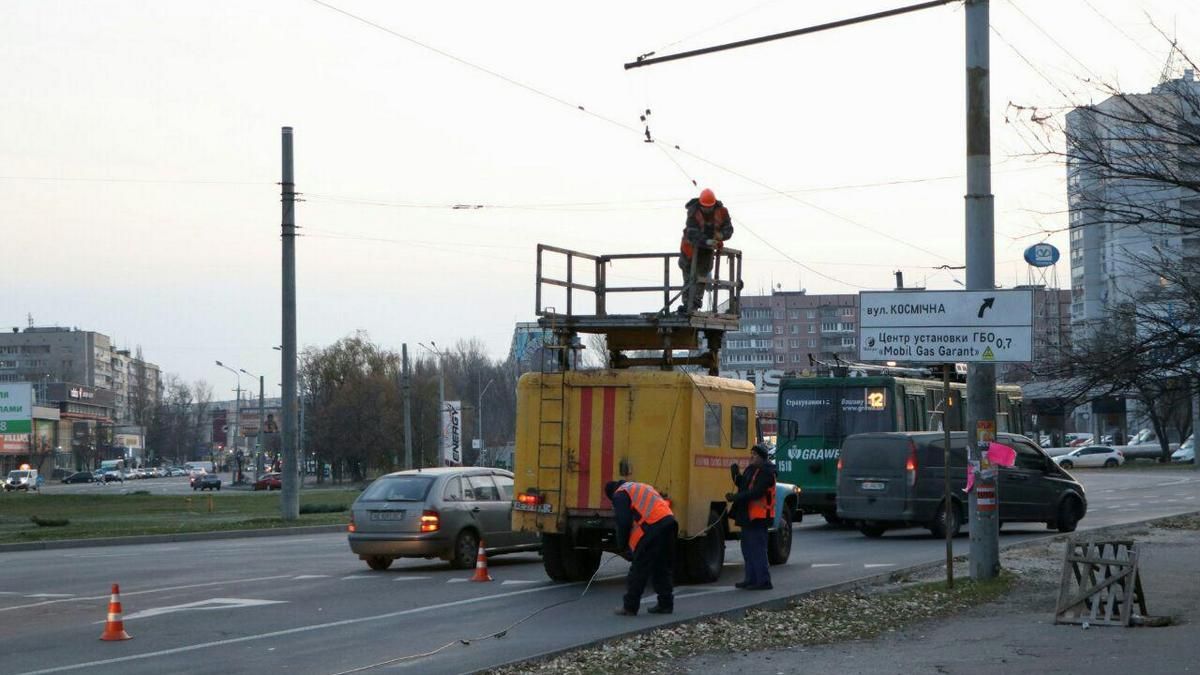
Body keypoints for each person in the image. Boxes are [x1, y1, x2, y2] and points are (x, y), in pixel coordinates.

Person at [605, 479, 678, 616]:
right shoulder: (638, 486)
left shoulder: (620, 494)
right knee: (661, 566)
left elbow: (624, 522)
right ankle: (665, 604)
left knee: (639, 568)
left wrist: (622, 544)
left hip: (653, 527)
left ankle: (630, 607)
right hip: (669, 522)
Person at [726, 443, 777, 590]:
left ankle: (763, 581)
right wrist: (735, 475)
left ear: (762, 457)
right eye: (751, 454)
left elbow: (756, 492)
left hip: (759, 517)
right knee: (747, 548)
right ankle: (750, 579)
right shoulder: (751, 469)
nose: (751, 456)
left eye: (754, 454)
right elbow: (743, 485)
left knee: (757, 549)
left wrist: (735, 497)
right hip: (748, 516)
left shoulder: (767, 472)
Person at [678, 188, 734, 313]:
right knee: (689, 277)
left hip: (707, 251)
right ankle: (688, 304)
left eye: (710, 207)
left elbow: (729, 229)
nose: (707, 210)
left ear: (714, 204)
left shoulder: (722, 212)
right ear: (700, 205)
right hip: (690, 249)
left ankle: (695, 304)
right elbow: (692, 233)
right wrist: (706, 241)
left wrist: (721, 235)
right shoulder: (693, 212)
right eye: (705, 207)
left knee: (702, 275)